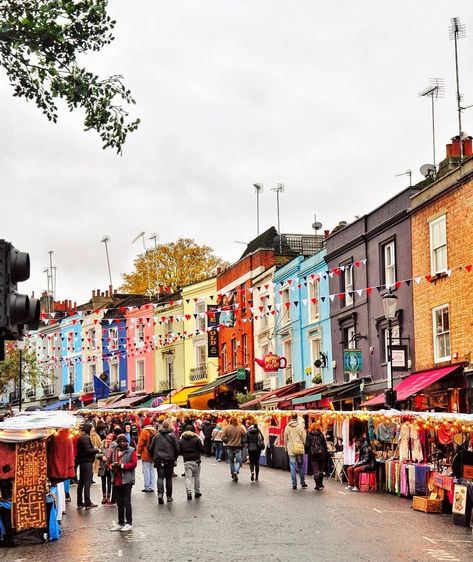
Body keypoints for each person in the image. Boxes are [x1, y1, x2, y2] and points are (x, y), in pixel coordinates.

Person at [109, 434, 137, 532]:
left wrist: (122, 466)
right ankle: (120, 523)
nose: (121, 443)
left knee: (126, 502)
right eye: (119, 441)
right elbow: (109, 462)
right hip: (116, 479)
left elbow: (134, 464)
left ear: (127, 442)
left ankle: (129, 523)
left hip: (127, 480)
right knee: (119, 503)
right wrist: (111, 466)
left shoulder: (132, 450)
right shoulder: (114, 450)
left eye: (123, 441)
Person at [149, 419, 180, 504]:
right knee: (169, 478)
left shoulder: (157, 435)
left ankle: (160, 494)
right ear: (169, 426)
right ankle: (169, 496)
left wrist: (154, 456)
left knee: (160, 477)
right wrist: (174, 458)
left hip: (159, 459)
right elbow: (177, 448)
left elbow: (151, 448)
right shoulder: (172, 435)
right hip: (169, 459)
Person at [76, 422, 100, 509]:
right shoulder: (85, 438)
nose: (92, 430)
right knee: (87, 483)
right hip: (87, 463)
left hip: (82, 463)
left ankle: (80, 502)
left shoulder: (81, 437)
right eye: (91, 428)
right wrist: (96, 450)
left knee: (81, 483)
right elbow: (88, 450)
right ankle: (87, 502)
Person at [179, 424, 204, 500]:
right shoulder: (196, 439)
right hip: (196, 460)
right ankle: (197, 492)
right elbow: (202, 449)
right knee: (196, 477)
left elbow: (179, 451)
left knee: (188, 478)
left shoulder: (181, 440)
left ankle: (189, 493)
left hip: (186, 460)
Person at [284, 414, 308, 490]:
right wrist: (304, 445)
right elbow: (304, 437)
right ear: (297, 418)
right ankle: (303, 482)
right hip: (299, 448)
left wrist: (286, 448)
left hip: (291, 449)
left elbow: (285, 438)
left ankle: (294, 484)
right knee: (300, 465)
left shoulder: (287, 427)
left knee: (292, 466)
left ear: (291, 418)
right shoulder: (300, 426)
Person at [222, 416, 246, 483]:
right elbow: (244, 436)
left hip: (230, 446)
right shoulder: (240, 428)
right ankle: (236, 470)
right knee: (238, 461)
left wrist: (227, 441)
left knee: (231, 461)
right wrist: (242, 442)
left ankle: (233, 473)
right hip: (238, 447)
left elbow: (223, 437)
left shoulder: (226, 428)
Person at [305, 422, 328, 490]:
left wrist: (306, 452)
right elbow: (324, 445)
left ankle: (317, 485)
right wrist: (325, 452)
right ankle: (321, 484)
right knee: (321, 469)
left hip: (313, 455)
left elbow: (307, 445)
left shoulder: (309, 435)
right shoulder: (321, 434)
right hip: (321, 454)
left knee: (315, 469)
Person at [137, 416, 157, 493]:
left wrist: (138, 453)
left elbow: (141, 444)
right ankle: (152, 486)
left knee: (146, 471)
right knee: (152, 470)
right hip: (153, 454)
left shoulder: (144, 432)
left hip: (146, 453)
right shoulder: (155, 431)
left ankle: (147, 486)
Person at [98, 433, 114, 504]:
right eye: (107, 439)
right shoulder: (102, 446)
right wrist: (102, 457)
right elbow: (97, 454)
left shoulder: (113, 447)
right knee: (103, 482)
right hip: (103, 466)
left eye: (110, 439)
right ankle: (104, 497)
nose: (108, 440)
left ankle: (108, 497)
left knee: (109, 482)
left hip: (110, 467)